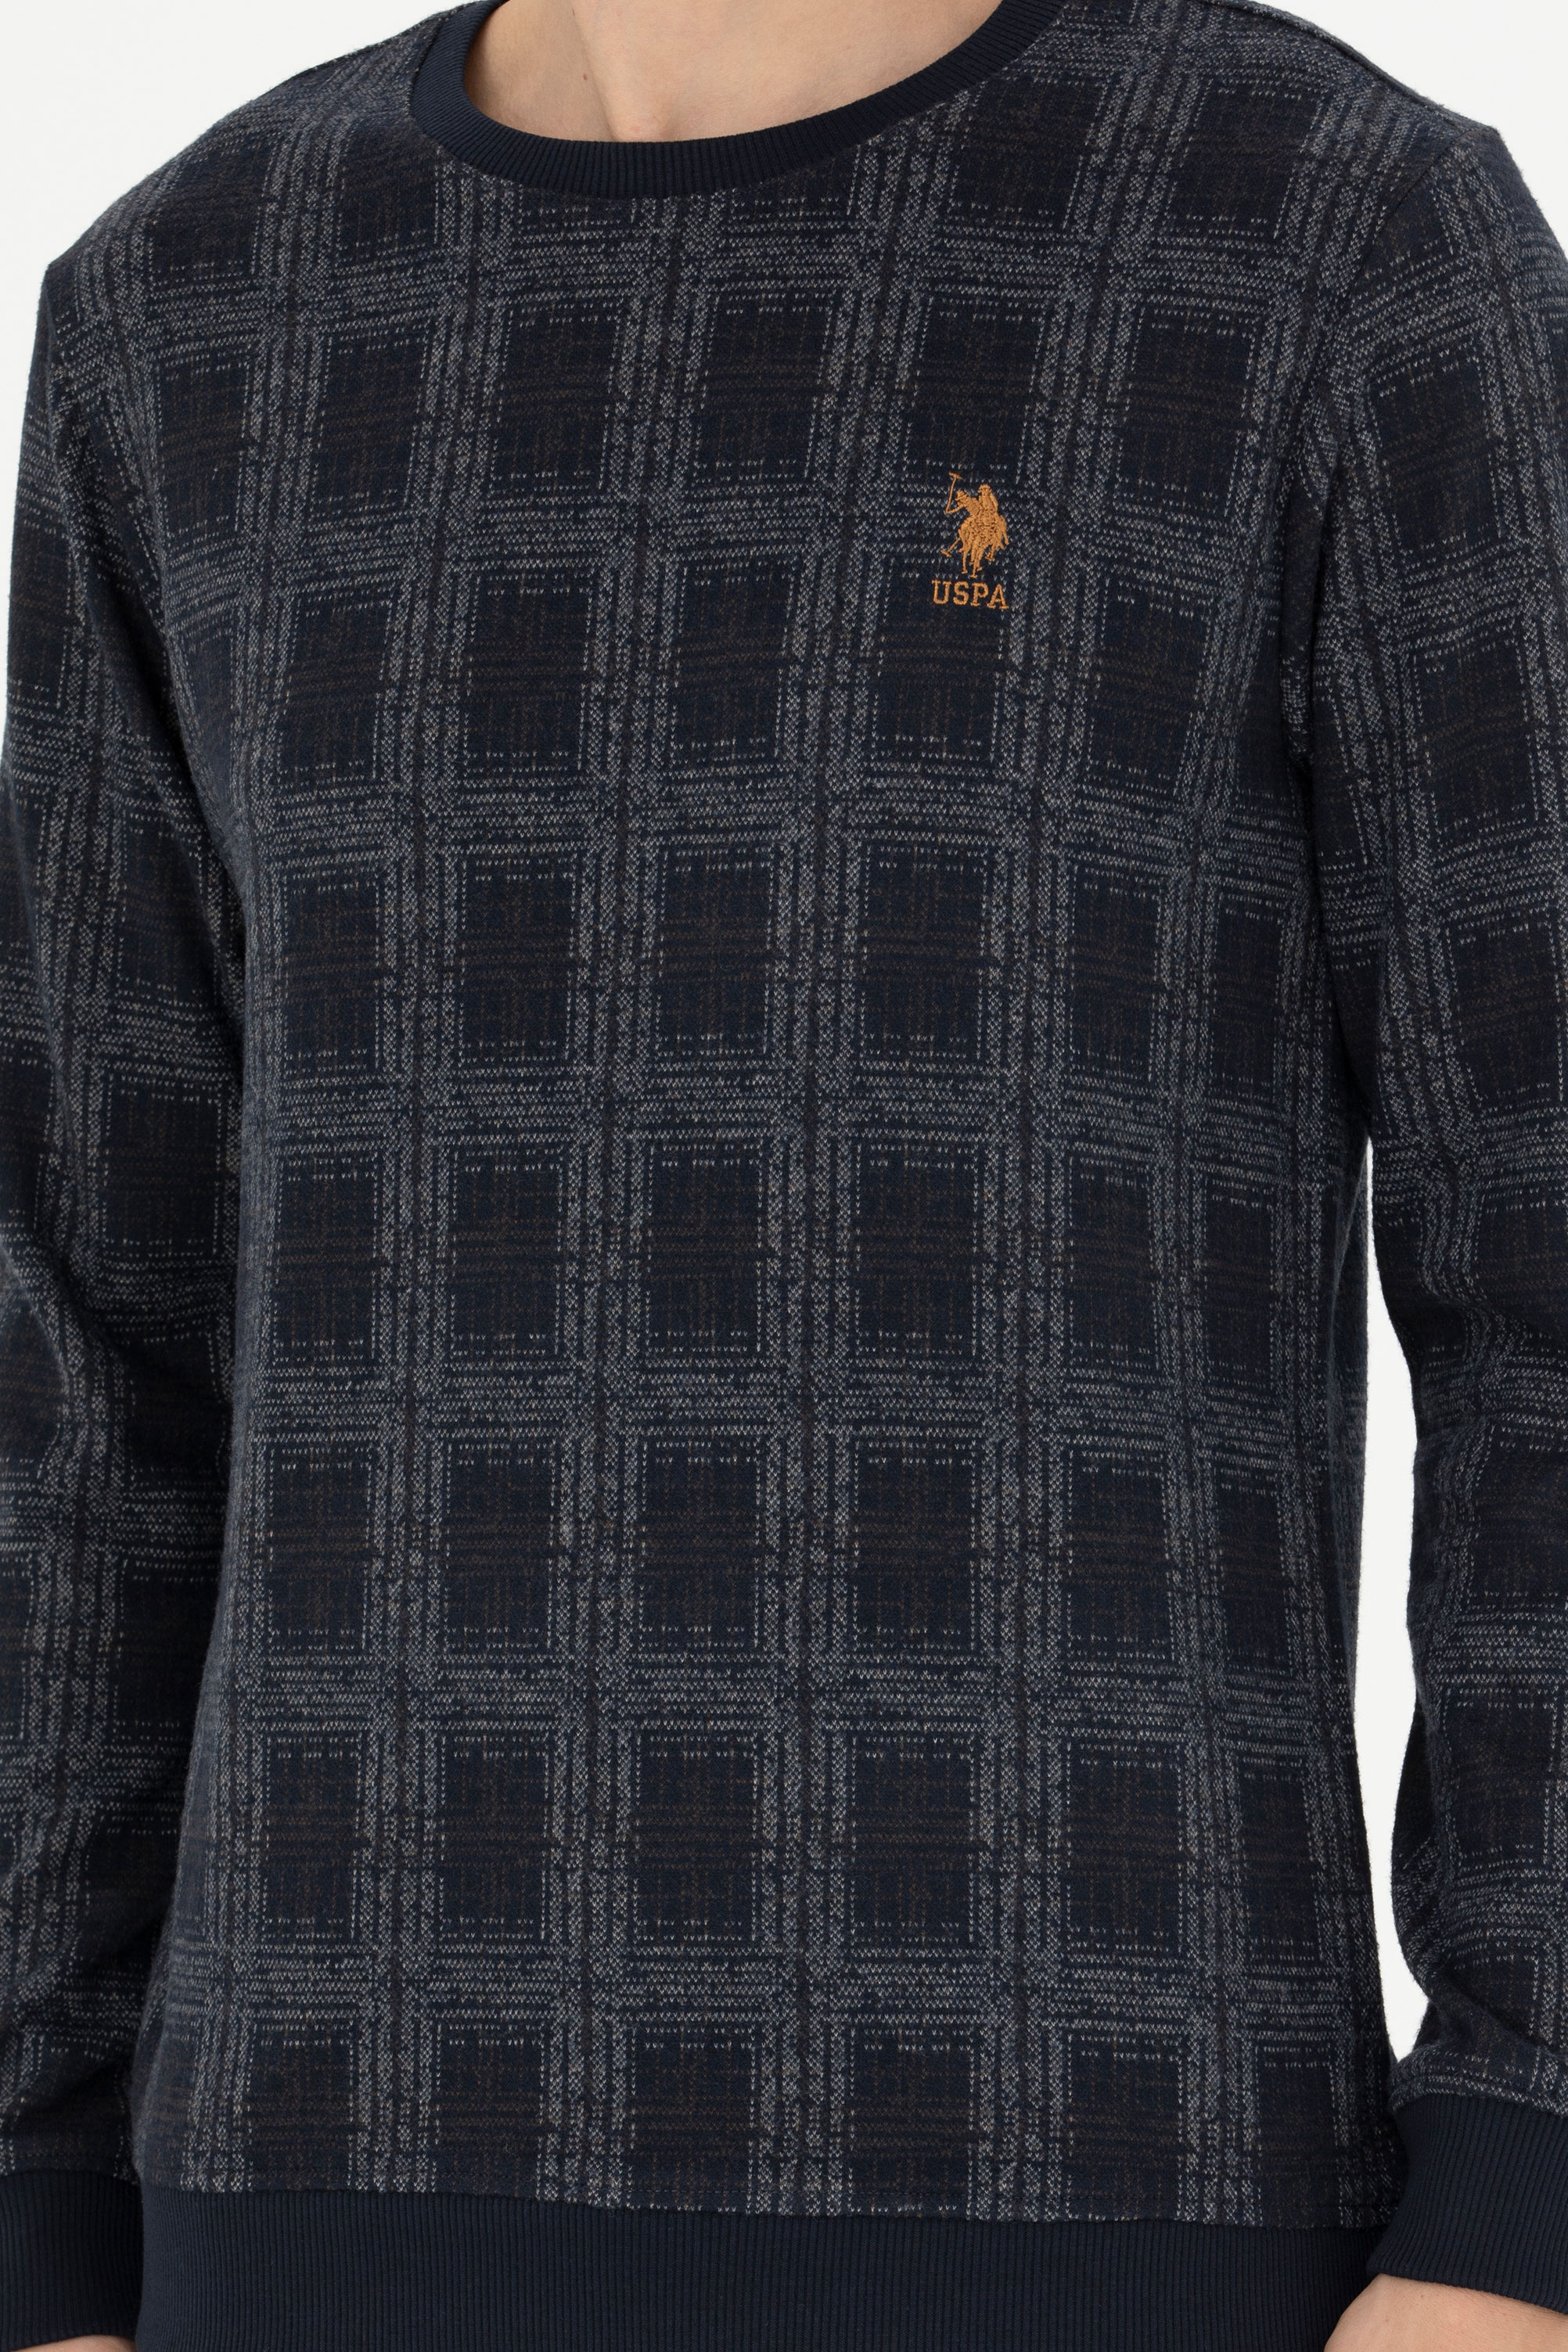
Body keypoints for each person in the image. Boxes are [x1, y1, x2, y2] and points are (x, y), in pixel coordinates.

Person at [2, 0, 1568, 2343]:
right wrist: (35, 2213)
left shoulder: (1329, 237)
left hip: (1117, 2191)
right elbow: (82, 1335)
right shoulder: (187, 301)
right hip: (294, 2195)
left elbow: (1539, 1248)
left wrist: (1526, 2195)